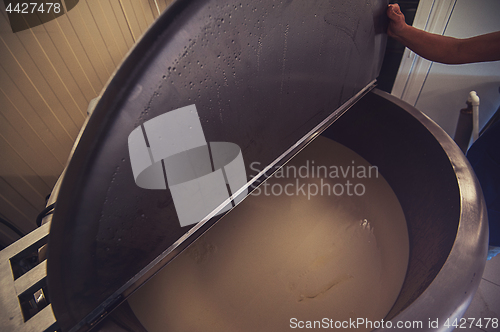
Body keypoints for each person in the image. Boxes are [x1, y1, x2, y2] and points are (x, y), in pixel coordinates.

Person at [387, 3, 500, 260]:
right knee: (452, 215)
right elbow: (458, 49)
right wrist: (402, 31)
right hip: (488, 164)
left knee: (467, 254)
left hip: (496, 215)